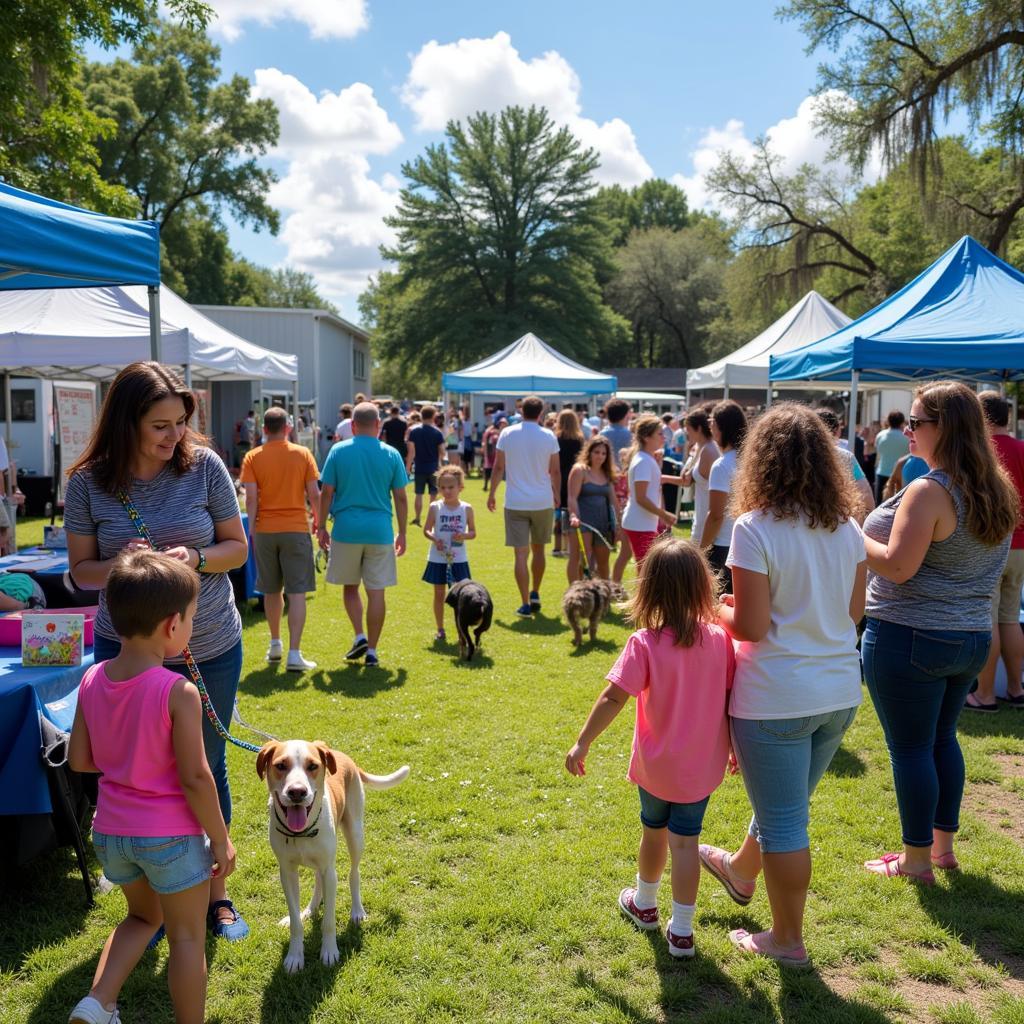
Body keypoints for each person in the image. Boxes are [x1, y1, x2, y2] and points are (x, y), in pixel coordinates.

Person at [65, 361, 250, 942]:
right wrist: (125, 566)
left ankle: (216, 895)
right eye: (160, 427)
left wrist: (194, 559)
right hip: (126, 647)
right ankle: (141, 892)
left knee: (206, 766)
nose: (175, 439)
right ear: (126, 423)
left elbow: (237, 549)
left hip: (209, 642)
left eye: (179, 424)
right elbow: (79, 572)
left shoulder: (206, 467)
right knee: (131, 768)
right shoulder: (88, 482)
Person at [700, 404, 866, 967]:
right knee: (786, 807)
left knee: (786, 819)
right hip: (839, 691)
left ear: (759, 461)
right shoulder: (849, 528)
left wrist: (714, 606)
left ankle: (787, 940)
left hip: (776, 696)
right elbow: (854, 611)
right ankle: (741, 871)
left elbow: (748, 624)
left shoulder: (753, 528)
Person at [68, 550, 235, 1024]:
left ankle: (98, 1002)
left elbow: (80, 759)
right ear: (170, 626)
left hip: (113, 836)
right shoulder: (177, 691)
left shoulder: (92, 677)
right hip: (172, 839)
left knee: (142, 918)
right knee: (186, 938)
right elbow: (197, 777)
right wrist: (220, 839)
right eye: (190, 619)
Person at [861, 382, 1016, 882]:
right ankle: (941, 850)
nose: (908, 430)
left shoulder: (931, 491)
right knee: (942, 740)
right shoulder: (996, 487)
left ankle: (917, 861)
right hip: (969, 637)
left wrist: (850, 535)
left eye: (916, 422)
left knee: (910, 749)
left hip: (912, 636)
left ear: (943, 428)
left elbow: (897, 566)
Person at [565, 536, 735, 959]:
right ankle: (682, 931)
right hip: (700, 771)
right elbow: (733, 702)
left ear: (649, 589)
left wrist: (582, 742)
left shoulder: (644, 643)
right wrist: (735, 750)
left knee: (653, 833)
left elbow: (613, 697)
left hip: (657, 769)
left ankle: (644, 903)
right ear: (703, 586)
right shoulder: (720, 641)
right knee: (686, 844)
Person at [318, 402, 408, 668]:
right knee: (376, 592)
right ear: (379, 426)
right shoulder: (391, 454)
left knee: (350, 586)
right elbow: (401, 498)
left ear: (353, 426)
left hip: (346, 529)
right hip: (380, 530)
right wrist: (402, 532)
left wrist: (321, 525)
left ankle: (360, 635)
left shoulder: (338, 450)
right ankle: (373, 650)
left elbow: (326, 492)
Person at [240, 406, 320, 672]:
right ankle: (294, 653)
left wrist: (250, 529)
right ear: (288, 428)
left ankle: (275, 643)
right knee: (297, 593)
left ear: (264, 429)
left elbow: (251, 498)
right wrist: (318, 520)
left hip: (264, 530)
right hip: (296, 528)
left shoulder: (253, 456)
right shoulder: (303, 454)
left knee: (271, 590)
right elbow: (314, 493)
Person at [971, 391, 1024, 710]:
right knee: (1009, 616)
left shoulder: (981, 451)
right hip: (1021, 545)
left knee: (988, 618)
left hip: (989, 543)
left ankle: (986, 694)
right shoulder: (1021, 448)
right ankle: (1016, 689)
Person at [486, 395, 560, 617]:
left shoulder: (507, 433)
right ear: (540, 413)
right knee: (539, 550)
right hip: (542, 501)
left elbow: (498, 467)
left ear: (520, 411)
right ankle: (535, 591)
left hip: (516, 501)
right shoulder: (548, 435)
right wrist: (557, 495)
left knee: (520, 554)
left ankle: (525, 601)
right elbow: (555, 471)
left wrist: (491, 493)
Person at [422, 465, 476, 641]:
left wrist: (464, 535)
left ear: (460, 487)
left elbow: (473, 532)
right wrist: (434, 539)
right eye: (442, 487)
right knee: (439, 594)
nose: (446, 491)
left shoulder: (466, 508)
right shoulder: (435, 507)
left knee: (461, 596)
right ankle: (440, 629)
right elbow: (426, 530)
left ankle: (462, 629)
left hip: (459, 559)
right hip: (438, 558)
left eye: (451, 487)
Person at [699, 401, 747, 594]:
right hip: (751, 543)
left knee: (719, 607)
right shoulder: (752, 459)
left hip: (724, 547)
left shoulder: (722, 465)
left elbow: (716, 515)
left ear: (720, 428)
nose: (710, 427)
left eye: (712, 423)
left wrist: (700, 550)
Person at [621, 415, 682, 569]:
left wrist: (677, 480)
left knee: (645, 569)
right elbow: (641, 497)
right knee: (646, 571)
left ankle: (616, 588)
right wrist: (664, 514)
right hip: (640, 523)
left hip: (641, 522)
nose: (664, 437)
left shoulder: (646, 459)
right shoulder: (643, 461)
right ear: (646, 437)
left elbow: (653, 482)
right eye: (660, 434)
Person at [567, 436, 617, 581]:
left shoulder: (607, 474)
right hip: (582, 522)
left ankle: (604, 595)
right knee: (582, 559)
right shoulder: (580, 470)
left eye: (603, 453)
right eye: (596, 452)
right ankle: (576, 592)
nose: (600, 456)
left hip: (603, 523)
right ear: (589, 452)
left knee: (603, 562)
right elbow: (572, 497)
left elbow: (613, 502)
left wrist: (619, 523)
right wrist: (574, 515)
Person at [815, 407, 874, 518]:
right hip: (838, 521)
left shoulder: (794, 457)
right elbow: (866, 494)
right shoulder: (846, 457)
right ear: (837, 430)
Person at [679, 408, 719, 545]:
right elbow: (686, 479)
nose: (686, 433)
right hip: (701, 518)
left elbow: (715, 491)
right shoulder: (701, 448)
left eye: (688, 429)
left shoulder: (709, 450)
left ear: (699, 429)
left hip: (707, 523)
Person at [406, 405, 446, 526]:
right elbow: (443, 452)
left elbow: (411, 452)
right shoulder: (437, 432)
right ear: (433, 416)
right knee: (433, 495)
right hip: (433, 468)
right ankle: (432, 520)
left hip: (419, 467)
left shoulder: (414, 431)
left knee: (419, 494)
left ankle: (417, 518)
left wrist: (408, 467)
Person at [554, 410, 584, 563]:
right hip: (574, 478)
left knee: (558, 514)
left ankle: (558, 546)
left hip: (559, 478)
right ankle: (569, 546)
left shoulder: (556, 439)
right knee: (572, 511)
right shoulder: (580, 440)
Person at [874, 410, 910, 502]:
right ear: (902, 422)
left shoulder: (880, 435)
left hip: (882, 472)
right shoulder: (907, 437)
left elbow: (878, 451)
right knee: (899, 504)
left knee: (880, 503)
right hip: (901, 474)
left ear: (888, 421)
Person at [612, 447, 634, 583]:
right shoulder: (622, 477)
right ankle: (615, 584)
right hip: (622, 515)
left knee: (625, 553)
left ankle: (615, 584)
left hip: (624, 515)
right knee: (625, 553)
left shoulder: (624, 476)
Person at [601, 399, 633, 469]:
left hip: (605, 473)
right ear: (625, 415)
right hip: (624, 473)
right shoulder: (629, 435)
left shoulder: (601, 434)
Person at [482, 418, 503, 491]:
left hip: (491, 453)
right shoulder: (493, 432)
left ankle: (487, 485)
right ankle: (487, 485)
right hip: (491, 453)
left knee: (488, 469)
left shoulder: (489, 431)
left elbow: (484, 442)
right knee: (490, 469)